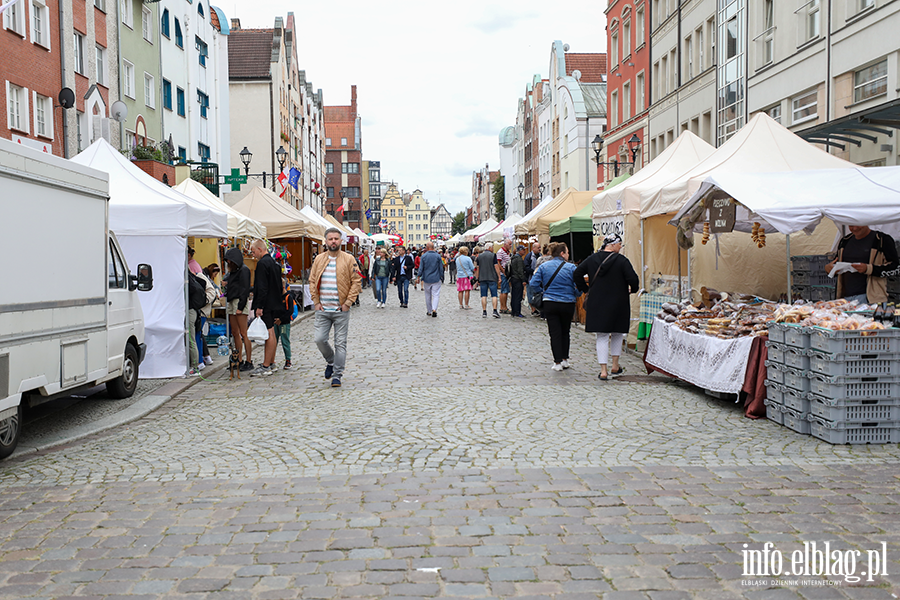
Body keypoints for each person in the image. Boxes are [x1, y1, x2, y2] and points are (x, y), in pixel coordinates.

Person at [575, 234, 640, 381]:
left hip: (598, 302)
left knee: (602, 336)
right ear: (613, 244)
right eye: (620, 245)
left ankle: (603, 370)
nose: (620, 248)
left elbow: (577, 273)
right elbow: (633, 279)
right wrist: (632, 289)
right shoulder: (622, 260)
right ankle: (615, 365)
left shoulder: (592, 259)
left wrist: (585, 290)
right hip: (619, 302)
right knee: (617, 333)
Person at [309, 228, 362, 387]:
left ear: (341, 241)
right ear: (325, 241)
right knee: (319, 339)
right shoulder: (319, 259)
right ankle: (331, 361)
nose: (333, 241)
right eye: (330, 239)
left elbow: (357, 281)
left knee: (340, 344)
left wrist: (348, 303)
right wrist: (316, 301)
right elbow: (312, 281)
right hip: (323, 310)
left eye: (336, 239)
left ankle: (337, 375)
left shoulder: (349, 259)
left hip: (340, 310)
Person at [529, 242, 580, 371]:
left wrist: (543, 291)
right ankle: (564, 359)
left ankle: (557, 362)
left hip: (550, 301)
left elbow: (533, 283)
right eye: (567, 252)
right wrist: (575, 294)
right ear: (562, 254)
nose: (568, 255)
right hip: (567, 302)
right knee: (565, 331)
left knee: (554, 332)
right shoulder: (571, 268)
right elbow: (578, 286)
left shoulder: (544, 266)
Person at [826, 225, 899, 304]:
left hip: (872, 299)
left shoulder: (881, 240)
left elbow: (895, 267)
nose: (855, 228)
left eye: (858, 225)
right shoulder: (845, 241)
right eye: (851, 226)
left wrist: (868, 269)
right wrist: (829, 268)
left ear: (865, 221)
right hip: (845, 298)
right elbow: (837, 264)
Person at [249, 239, 282, 377]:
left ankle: (266, 366)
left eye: (253, 251)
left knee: (269, 333)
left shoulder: (263, 263)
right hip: (274, 302)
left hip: (266, 303)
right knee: (272, 333)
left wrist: (259, 306)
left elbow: (262, 287)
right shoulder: (274, 263)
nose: (253, 254)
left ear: (260, 249)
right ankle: (271, 362)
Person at [223, 247, 253, 371]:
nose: (228, 263)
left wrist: (240, 306)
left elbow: (244, 289)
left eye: (230, 261)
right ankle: (239, 359)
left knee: (243, 333)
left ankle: (249, 361)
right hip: (232, 301)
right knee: (235, 333)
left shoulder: (244, 270)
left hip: (239, 302)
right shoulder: (234, 271)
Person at [273, 261, 294, 370]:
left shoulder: (288, 297)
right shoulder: (276, 297)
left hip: (284, 323)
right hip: (275, 322)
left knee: (285, 341)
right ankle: (271, 360)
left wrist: (281, 319)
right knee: (273, 341)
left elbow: (290, 310)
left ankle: (288, 360)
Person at [474, 244, 503, 319]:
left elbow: (478, 268)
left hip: (483, 278)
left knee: (483, 295)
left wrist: (478, 278)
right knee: (494, 295)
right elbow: (496, 266)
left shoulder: (479, 256)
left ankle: (484, 311)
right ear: (489, 248)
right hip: (492, 277)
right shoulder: (493, 255)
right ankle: (494, 310)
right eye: (492, 247)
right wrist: (499, 276)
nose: (493, 248)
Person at [418, 242, 444, 317]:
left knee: (427, 295)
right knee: (436, 294)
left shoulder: (424, 256)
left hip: (426, 278)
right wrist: (441, 276)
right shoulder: (438, 256)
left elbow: (421, 268)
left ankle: (429, 311)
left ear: (427, 247)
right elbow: (440, 268)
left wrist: (419, 276)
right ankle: (434, 309)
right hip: (436, 278)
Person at [508, 245, 528, 318]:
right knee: (518, 296)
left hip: (513, 278)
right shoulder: (519, 259)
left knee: (514, 296)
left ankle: (513, 311)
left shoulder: (513, 258)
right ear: (519, 250)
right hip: (517, 279)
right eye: (523, 250)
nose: (524, 251)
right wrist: (523, 280)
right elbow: (520, 271)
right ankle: (517, 312)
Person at [524, 242, 542, 316]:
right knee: (530, 295)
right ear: (533, 248)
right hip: (530, 279)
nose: (540, 249)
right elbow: (526, 267)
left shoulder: (540, 256)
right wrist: (534, 271)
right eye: (538, 248)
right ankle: (533, 310)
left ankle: (538, 309)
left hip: (540, 279)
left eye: (540, 247)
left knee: (538, 295)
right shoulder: (529, 256)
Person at [496, 239, 513, 313]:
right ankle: (503, 307)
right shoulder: (500, 252)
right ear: (505, 244)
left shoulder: (507, 252)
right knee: (504, 291)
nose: (510, 246)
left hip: (506, 274)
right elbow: (498, 263)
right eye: (509, 244)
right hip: (503, 274)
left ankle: (503, 306)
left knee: (505, 291)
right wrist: (503, 271)